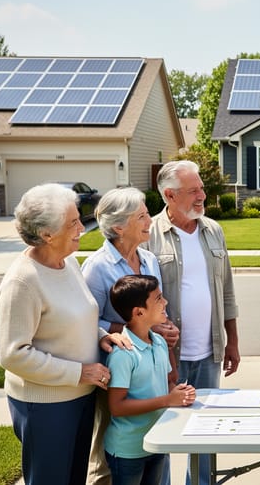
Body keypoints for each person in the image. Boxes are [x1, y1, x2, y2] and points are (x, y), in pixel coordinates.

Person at [0, 183, 129, 485]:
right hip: (46, 406)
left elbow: (76, 316)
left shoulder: (67, 262)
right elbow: (11, 354)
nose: (82, 227)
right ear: (47, 234)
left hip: (81, 395)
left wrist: (99, 336)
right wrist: (79, 372)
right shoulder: (23, 281)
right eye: (73, 223)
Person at [144, 160, 240, 485]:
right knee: (164, 433)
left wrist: (233, 342)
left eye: (201, 188)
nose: (202, 195)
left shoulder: (213, 230)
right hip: (167, 357)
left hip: (210, 353)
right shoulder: (149, 236)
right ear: (169, 195)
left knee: (206, 436)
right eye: (193, 190)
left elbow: (226, 290)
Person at [82, 187, 180, 485]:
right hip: (118, 372)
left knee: (153, 442)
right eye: (142, 216)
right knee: (109, 460)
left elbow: (152, 308)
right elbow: (87, 320)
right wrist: (122, 332)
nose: (150, 219)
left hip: (149, 370)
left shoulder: (148, 259)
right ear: (118, 227)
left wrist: (165, 329)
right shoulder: (97, 268)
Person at [105, 275, 196, 485]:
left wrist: (180, 393)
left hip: (156, 442)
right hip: (128, 452)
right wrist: (167, 400)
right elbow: (117, 406)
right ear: (139, 312)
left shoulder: (160, 343)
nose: (165, 303)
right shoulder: (123, 354)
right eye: (158, 299)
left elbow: (167, 384)